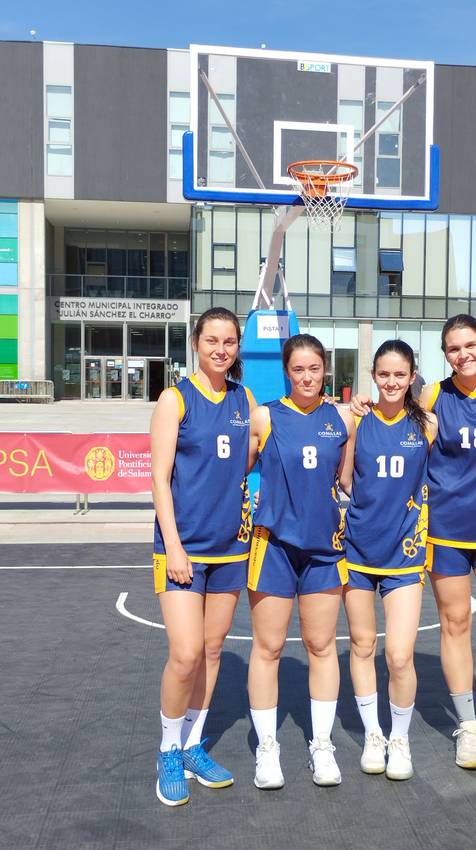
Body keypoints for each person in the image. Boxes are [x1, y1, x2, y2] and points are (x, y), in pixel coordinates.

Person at [352, 315, 476, 776]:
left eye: (470, 345)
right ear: (444, 355)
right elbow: (390, 414)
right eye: (454, 349)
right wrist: (360, 408)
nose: (464, 354)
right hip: (443, 535)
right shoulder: (434, 397)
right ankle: (469, 727)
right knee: (455, 625)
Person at [150, 307, 255, 806]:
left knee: (212, 652)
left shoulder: (244, 397)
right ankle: (168, 749)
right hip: (183, 548)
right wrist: (172, 545)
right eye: (212, 339)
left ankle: (193, 744)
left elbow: (261, 441)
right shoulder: (175, 399)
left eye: (229, 341)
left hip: (232, 547)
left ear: (237, 347)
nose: (221, 348)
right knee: (186, 653)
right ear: (197, 343)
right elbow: (159, 479)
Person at [246, 334, 355, 789]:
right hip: (273, 547)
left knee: (322, 647)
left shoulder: (343, 419)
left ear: (325, 370)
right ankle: (267, 750)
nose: (307, 377)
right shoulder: (264, 416)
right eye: (298, 369)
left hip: (324, 550)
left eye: (315, 369)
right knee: (268, 648)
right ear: (286, 372)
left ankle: (322, 746)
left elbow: (347, 481)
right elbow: (235, 473)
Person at [341, 340, 437, 781]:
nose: (392, 382)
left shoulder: (428, 425)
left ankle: (400, 738)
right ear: (373, 375)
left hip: (405, 553)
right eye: (384, 374)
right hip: (358, 549)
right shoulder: (358, 421)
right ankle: (373, 734)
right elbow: (344, 480)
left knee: (399, 655)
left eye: (401, 374)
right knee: (363, 647)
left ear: (413, 375)